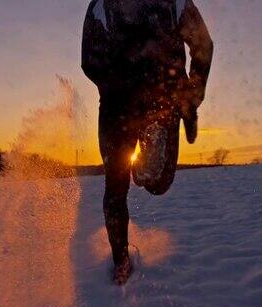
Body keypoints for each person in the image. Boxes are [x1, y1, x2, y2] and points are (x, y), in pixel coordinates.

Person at [81, 0, 213, 285]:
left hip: (156, 100)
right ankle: (121, 260)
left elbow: (202, 44)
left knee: (150, 184)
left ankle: (143, 168)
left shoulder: (173, 2)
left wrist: (192, 95)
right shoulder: (102, 5)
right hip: (127, 105)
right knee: (117, 186)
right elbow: (88, 58)